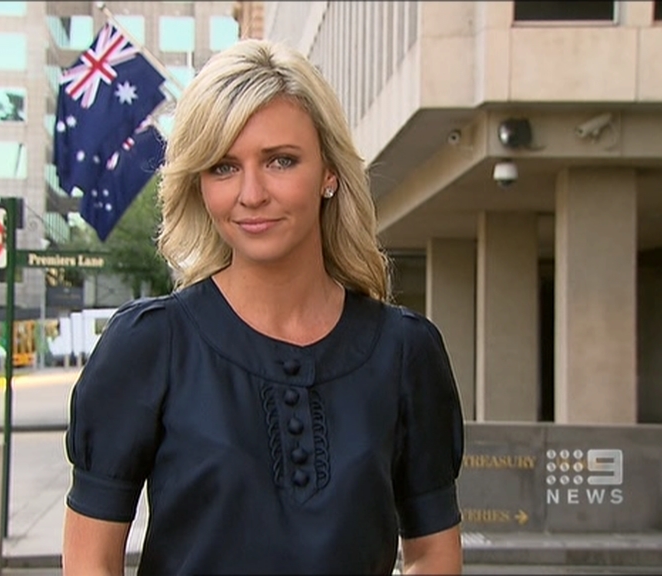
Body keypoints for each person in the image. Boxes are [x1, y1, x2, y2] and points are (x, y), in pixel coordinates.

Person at [62, 39, 465, 575]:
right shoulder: (148, 345)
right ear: (199, 183)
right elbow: (89, 561)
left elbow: (435, 554)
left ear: (329, 172)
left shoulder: (406, 352)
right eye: (223, 167)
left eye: (280, 161)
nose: (251, 194)